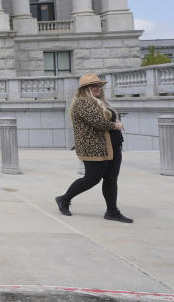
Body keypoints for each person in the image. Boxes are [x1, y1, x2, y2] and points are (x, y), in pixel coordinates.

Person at [55, 73, 132, 223]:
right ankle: (64, 199)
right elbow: (98, 122)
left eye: (99, 86)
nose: (97, 88)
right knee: (91, 179)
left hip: (113, 145)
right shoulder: (83, 103)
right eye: (93, 86)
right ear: (85, 89)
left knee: (111, 179)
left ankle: (112, 211)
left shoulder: (100, 102)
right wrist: (116, 125)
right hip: (94, 148)